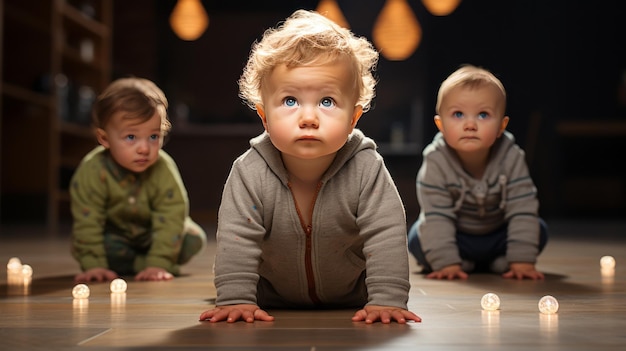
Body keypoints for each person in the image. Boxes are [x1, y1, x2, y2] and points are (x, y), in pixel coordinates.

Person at [199, 10, 421, 324]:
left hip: (353, 297)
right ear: (264, 116)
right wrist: (236, 298)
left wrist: (387, 299)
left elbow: (386, 234)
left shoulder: (366, 168)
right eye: (290, 101)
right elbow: (238, 237)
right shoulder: (249, 172)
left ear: (353, 119)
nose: (308, 117)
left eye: (327, 101)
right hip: (269, 296)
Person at [408, 65, 548, 281]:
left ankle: (504, 260)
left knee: (538, 228)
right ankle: (460, 263)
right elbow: (437, 215)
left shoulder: (511, 157)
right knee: (417, 236)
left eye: (483, 115)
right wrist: (447, 263)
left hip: (498, 233)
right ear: (440, 124)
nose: (470, 124)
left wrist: (522, 260)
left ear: (502, 126)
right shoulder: (436, 160)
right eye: (458, 114)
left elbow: (522, 209)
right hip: (457, 234)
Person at [70, 77, 207, 283]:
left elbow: (172, 214)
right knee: (85, 242)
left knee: (193, 238)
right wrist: (94, 265)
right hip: (115, 236)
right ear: (104, 139)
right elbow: (88, 221)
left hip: (152, 234)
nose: (144, 148)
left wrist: (159, 262)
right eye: (131, 137)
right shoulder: (92, 170)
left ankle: (148, 263)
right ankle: (134, 264)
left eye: (153, 136)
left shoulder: (163, 167)